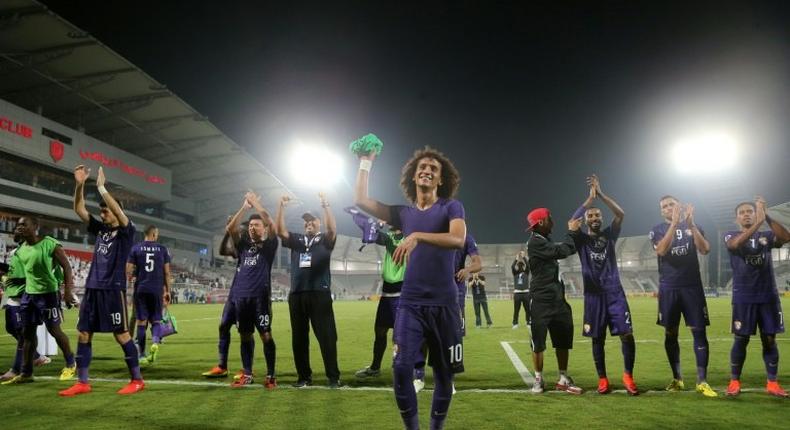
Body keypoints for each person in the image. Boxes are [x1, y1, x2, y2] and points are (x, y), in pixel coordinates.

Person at [355, 146, 466, 430]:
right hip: (411, 303)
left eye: (433, 168)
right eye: (422, 168)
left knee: (444, 374)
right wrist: (365, 163)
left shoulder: (451, 207)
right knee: (402, 367)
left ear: (440, 180)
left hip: (445, 304)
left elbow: (457, 239)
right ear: (413, 177)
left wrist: (417, 235)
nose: (427, 170)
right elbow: (361, 201)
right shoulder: (403, 214)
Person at [59, 165, 142, 396]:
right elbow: (79, 208)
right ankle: (83, 382)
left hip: (112, 290)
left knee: (122, 334)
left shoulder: (127, 231)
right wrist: (80, 184)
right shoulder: (101, 230)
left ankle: (137, 380)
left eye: (106, 210)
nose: (103, 213)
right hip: (93, 289)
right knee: (83, 333)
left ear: (117, 212)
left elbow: (120, 214)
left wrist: (103, 188)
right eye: (102, 210)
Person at [568, 175, 638, 395]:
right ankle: (603, 379)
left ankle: (628, 376)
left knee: (627, 335)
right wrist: (589, 201)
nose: (595, 217)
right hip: (593, 297)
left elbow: (620, 214)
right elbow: (571, 222)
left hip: (615, 293)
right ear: (586, 220)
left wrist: (601, 195)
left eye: (598, 214)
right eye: (591, 215)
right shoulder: (581, 240)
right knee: (597, 338)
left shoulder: (609, 235)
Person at [649, 195, 716, 397]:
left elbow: (705, 249)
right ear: (662, 211)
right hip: (669, 288)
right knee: (671, 333)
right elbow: (661, 250)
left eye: (672, 204)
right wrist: (674, 224)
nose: (669, 208)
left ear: (680, 206)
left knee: (699, 332)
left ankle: (702, 381)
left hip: (692, 287)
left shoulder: (693, 226)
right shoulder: (657, 229)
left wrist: (691, 224)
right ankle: (677, 378)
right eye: (665, 206)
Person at [724, 198, 790, 397]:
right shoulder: (731, 235)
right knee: (741, 338)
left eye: (750, 211)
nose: (746, 214)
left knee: (769, 339)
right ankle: (734, 381)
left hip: (768, 296)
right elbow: (735, 245)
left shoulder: (766, 236)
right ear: (736, 218)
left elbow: (785, 237)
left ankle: (772, 383)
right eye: (742, 212)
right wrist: (758, 223)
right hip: (744, 297)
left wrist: (767, 216)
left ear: (755, 214)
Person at [276, 192, 340, 388]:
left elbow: (332, 229)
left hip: (319, 293)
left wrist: (326, 205)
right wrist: (281, 207)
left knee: (327, 337)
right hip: (297, 295)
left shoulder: (324, 240)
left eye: (312, 220)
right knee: (299, 339)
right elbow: (280, 231)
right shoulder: (297, 240)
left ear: (319, 222)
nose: (308, 223)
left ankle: (333, 377)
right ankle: (304, 377)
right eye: (306, 221)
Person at [222, 192, 278, 388]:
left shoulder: (269, 246)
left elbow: (272, 223)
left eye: (257, 225)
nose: (253, 227)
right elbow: (231, 228)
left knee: (266, 335)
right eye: (251, 225)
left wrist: (255, 203)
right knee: (245, 336)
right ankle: (247, 373)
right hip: (241, 299)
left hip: (260, 299)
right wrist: (245, 207)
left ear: (263, 229)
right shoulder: (243, 245)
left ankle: (271, 376)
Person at [526, 207, 583, 395]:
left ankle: (563, 376)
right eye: (549, 218)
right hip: (541, 300)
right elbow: (562, 250)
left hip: (558, 300)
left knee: (563, 340)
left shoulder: (544, 239)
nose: (552, 221)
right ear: (541, 222)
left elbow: (569, 248)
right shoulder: (535, 242)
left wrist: (575, 233)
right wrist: (571, 232)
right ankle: (538, 379)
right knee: (538, 343)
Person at [355, 224, 406, 379]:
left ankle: (401, 368)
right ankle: (375, 367)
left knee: (400, 335)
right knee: (380, 331)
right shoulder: (388, 237)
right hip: (386, 292)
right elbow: (370, 233)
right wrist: (376, 225)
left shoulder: (410, 237)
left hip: (402, 292)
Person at [0, 232, 51, 383]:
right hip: (12, 296)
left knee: (23, 335)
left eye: (22, 228)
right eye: (17, 228)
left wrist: (11, 277)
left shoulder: (32, 252)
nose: (16, 231)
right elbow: (12, 270)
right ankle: (36, 356)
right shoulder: (15, 252)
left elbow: (32, 274)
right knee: (11, 329)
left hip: (23, 297)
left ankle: (15, 370)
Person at [126, 225, 172, 366]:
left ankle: (141, 354)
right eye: (156, 233)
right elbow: (167, 273)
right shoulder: (162, 249)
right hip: (156, 289)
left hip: (141, 288)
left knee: (141, 322)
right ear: (153, 234)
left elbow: (128, 269)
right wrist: (168, 290)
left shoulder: (136, 248)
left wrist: (132, 277)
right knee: (156, 321)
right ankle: (156, 342)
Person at [511, 250, 530, 329]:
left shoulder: (526, 273)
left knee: (527, 309)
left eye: (521, 265)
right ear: (517, 266)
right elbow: (512, 267)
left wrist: (524, 257)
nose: (520, 267)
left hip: (526, 293)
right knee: (516, 309)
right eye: (519, 265)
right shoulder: (515, 274)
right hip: (517, 293)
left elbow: (528, 266)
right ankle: (515, 323)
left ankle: (528, 322)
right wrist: (516, 259)